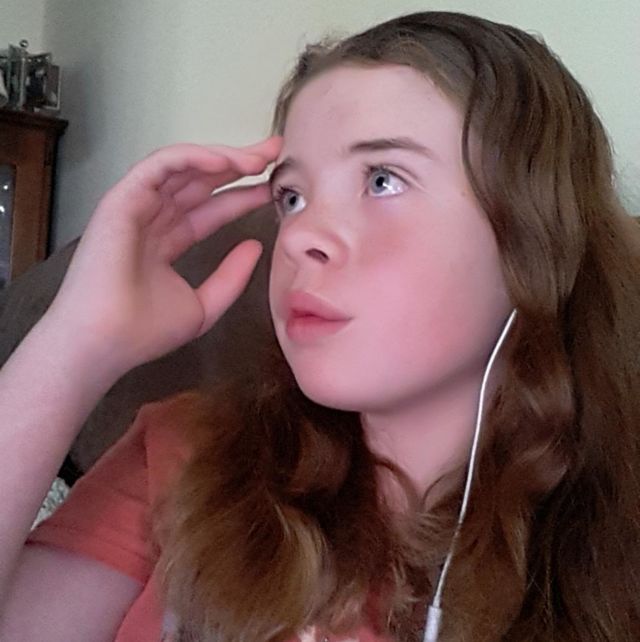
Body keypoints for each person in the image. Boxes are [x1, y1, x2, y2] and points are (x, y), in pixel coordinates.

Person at [1, 9, 639, 642]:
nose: (301, 236)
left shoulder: (614, 546)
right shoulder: (185, 456)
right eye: (293, 197)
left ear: (537, 237)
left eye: (383, 179)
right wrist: (75, 343)